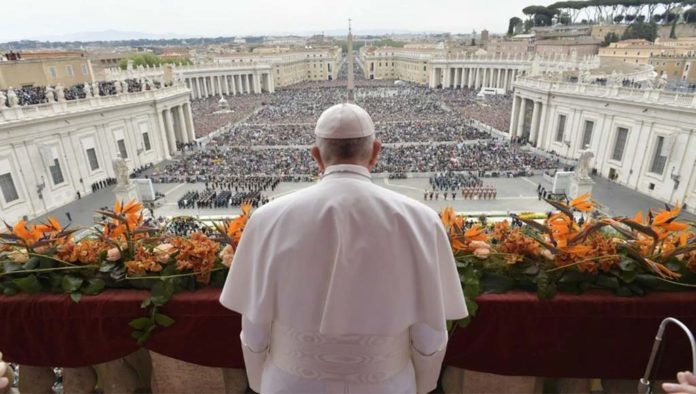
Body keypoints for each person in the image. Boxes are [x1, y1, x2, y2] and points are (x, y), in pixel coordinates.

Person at [220, 102, 467, 394]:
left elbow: (254, 327)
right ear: (376, 151)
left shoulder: (266, 219)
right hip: (386, 384)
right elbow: (430, 332)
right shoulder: (422, 221)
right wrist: (422, 383)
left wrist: (261, 382)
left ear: (316, 157)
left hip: (291, 384)